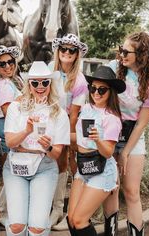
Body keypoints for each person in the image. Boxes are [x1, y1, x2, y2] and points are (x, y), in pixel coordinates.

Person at [3, 61, 70, 236]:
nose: (40, 87)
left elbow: (56, 153)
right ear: (29, 84)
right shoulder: (16, 107)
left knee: (37, 228)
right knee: (17, 226)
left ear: (50, 84)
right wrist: (26, 131)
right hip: (16, 165)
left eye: (45, 82)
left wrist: (47, 147)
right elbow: (10, 142)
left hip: (44, 167)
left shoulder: (59, 114)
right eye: (35, 83)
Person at [103, 32, 149, 236]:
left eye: (126, 51)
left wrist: (125, 152)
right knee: (110, 188)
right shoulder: (112, 69)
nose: (121, 54)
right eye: (121, 49)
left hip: (133, 139)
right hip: (109, 135)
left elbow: (140, 125)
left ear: (142, 55)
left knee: (132, 192)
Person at [67, 66, 126, 236]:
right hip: (84, 167)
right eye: (93, 88)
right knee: (71, 219)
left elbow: (108, 152)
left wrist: (97, 138)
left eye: (102, 89)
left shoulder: (112, 118)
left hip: (102, 170)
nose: (96, 92)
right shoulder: (86, 109)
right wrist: (55, 136)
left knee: (79, 220)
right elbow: (79, 138)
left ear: (111, 92)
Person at [49, 33, 89, 229]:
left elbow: (74, 114)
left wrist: (69, 139)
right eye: (63, 49)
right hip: (46, 122)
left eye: (71, 50)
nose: (66, 52)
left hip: (66, 124)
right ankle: (46, 207)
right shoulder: (49, 70)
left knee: (64, 163)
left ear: (76, 55)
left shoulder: (79, 80)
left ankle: (58, 210)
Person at [0, 45, 24, 226]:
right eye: (2, 64)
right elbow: (9, 112)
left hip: (9, 128)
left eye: (10, 61)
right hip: (6, 129)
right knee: (13, 173)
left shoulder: (15, 80)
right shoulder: (3, 84)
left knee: (12, 173)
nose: (8, 66)